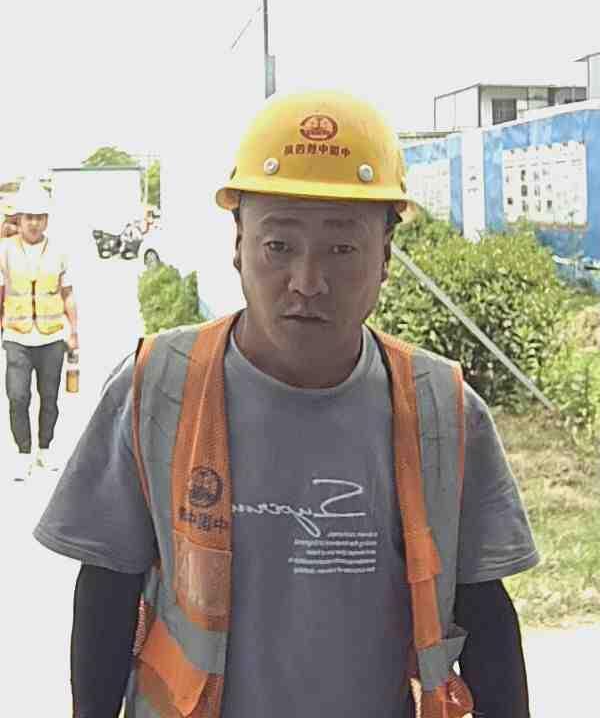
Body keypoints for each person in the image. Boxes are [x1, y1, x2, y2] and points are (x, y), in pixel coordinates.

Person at [34, 91, 538, 718]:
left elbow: (485, 611)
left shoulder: (442, 410)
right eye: (278, 246)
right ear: (238, 245)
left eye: (342, 249)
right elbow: (106, 590)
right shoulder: (158, 387)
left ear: (385, 258)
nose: (307, 281)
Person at [0, 181, 79, 480]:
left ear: (47, 220)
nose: (34, 223)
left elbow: (68, 294)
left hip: (52, 336)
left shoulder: (59, 251)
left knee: (49, 397)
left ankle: (45, 449)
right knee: (17, 396)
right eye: (28, 217)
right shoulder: (4, 250)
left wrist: (74, 333)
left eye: (39, 217)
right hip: (16, 335)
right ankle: (24, 453)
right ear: (19, 219)